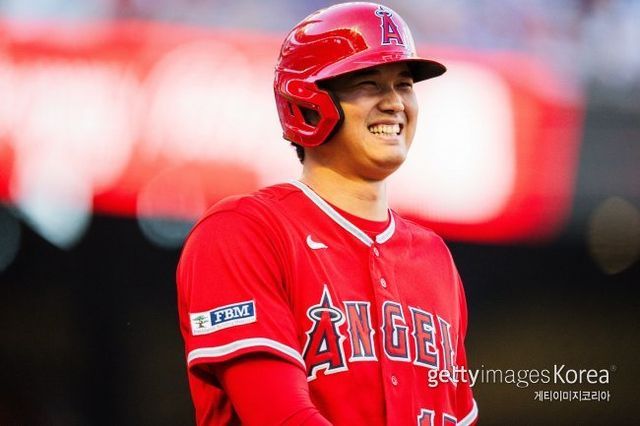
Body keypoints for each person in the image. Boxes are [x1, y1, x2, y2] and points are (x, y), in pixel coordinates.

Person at [177, 2, 478, 425]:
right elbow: (279, 416)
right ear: (310, 102)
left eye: (404, 84)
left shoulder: (435, 260)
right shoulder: (244, 232)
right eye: (369, 83)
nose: (395, 103)